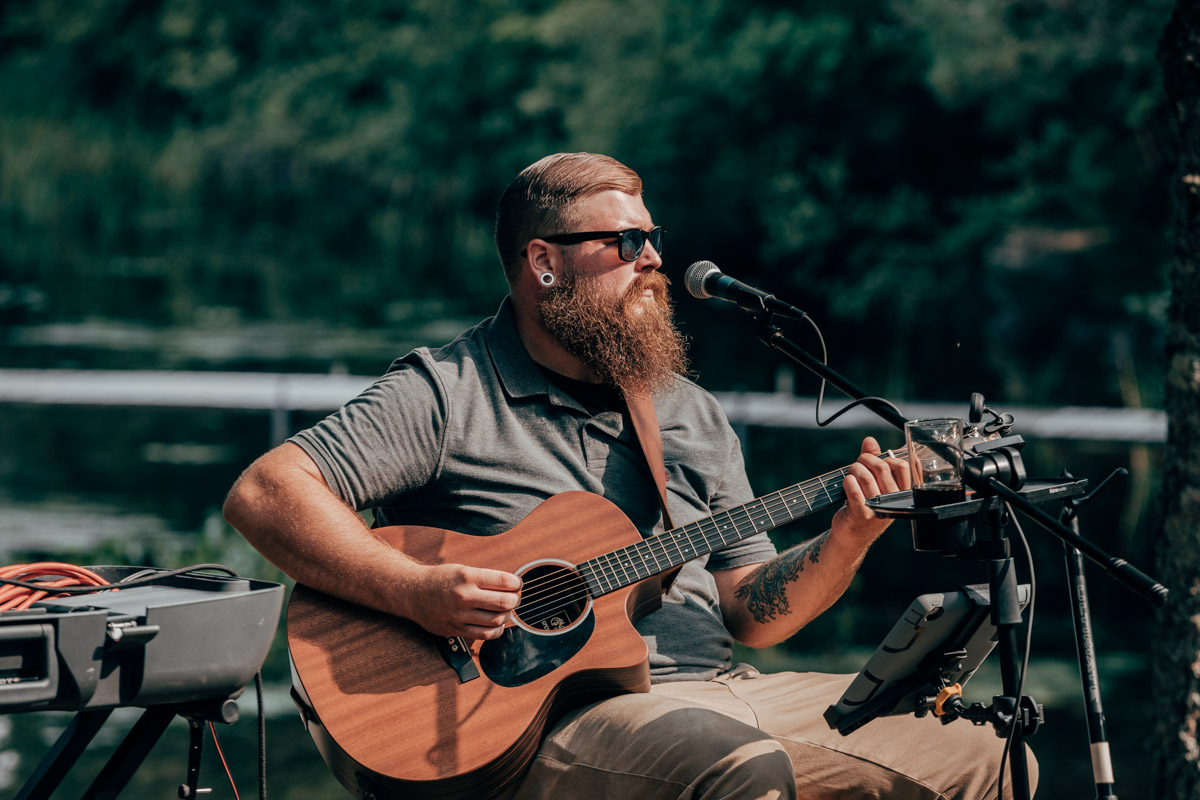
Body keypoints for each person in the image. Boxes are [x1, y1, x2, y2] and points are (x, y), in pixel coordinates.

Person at [223, 152, 1035, 799]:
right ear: (543, 262)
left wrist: (850, 536)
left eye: (652, 239)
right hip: (556, 717)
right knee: (736, 767)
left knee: (992, 760)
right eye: (624, 243)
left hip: (720, 688)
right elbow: (266, 492)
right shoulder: (447, 390)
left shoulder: (687, 410)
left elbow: (752, 611)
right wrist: (416, 592)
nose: (653, 261)